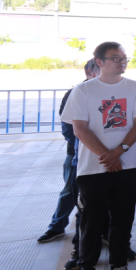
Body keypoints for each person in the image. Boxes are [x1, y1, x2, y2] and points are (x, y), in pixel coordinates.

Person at [62, 43, 136, 270]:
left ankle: (119, 265)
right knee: (91, 220)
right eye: (115, 58)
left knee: (123, 218)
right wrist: (106, 157)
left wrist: (118, 152)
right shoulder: (83, 90)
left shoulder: (135, 88)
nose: (122, 62)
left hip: (129, 165)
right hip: (93, 168)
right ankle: (86, 267)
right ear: (99, 62)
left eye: (124, 58)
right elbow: (79, 129)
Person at [38, 61, 99, 246]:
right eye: (98, 71)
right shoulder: (75, 93)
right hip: (76, 155)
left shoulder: (106, 92)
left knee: (100, 197)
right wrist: (88, 146)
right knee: (70, 192)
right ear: (88, 71)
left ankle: (99, 233)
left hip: (103, 156)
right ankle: (56, 227)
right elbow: (67, 128)